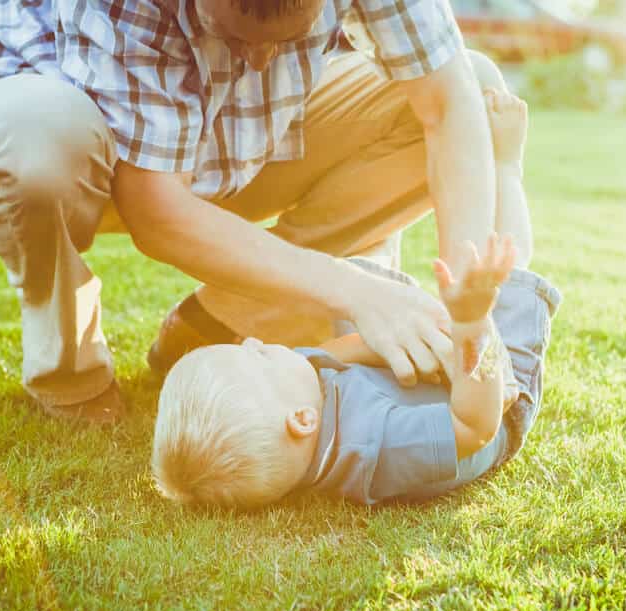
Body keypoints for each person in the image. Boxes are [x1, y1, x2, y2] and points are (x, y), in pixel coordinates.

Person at [0, 0, 505, 422]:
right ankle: (71, 372)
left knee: (479, 88)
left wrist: (467, 295)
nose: (260, 59)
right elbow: (157, 213)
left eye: (288, 37)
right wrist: (357, 291)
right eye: (234, 35)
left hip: (247, 140)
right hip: (84, 154)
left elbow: (448, 103)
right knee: (31, 147)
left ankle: (221, 321)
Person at [151, 90, 561, 507]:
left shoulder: (297, 392)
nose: (252, 341)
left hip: (420, 375)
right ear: (302, 421)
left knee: (364, 287)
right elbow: (475, 426)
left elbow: (336, 353)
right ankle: (508, 166)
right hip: (490, 396)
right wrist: (473, 331)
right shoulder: (382, 446)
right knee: (506, 271)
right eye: (258, 357)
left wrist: (408, 337)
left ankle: (393, 255)